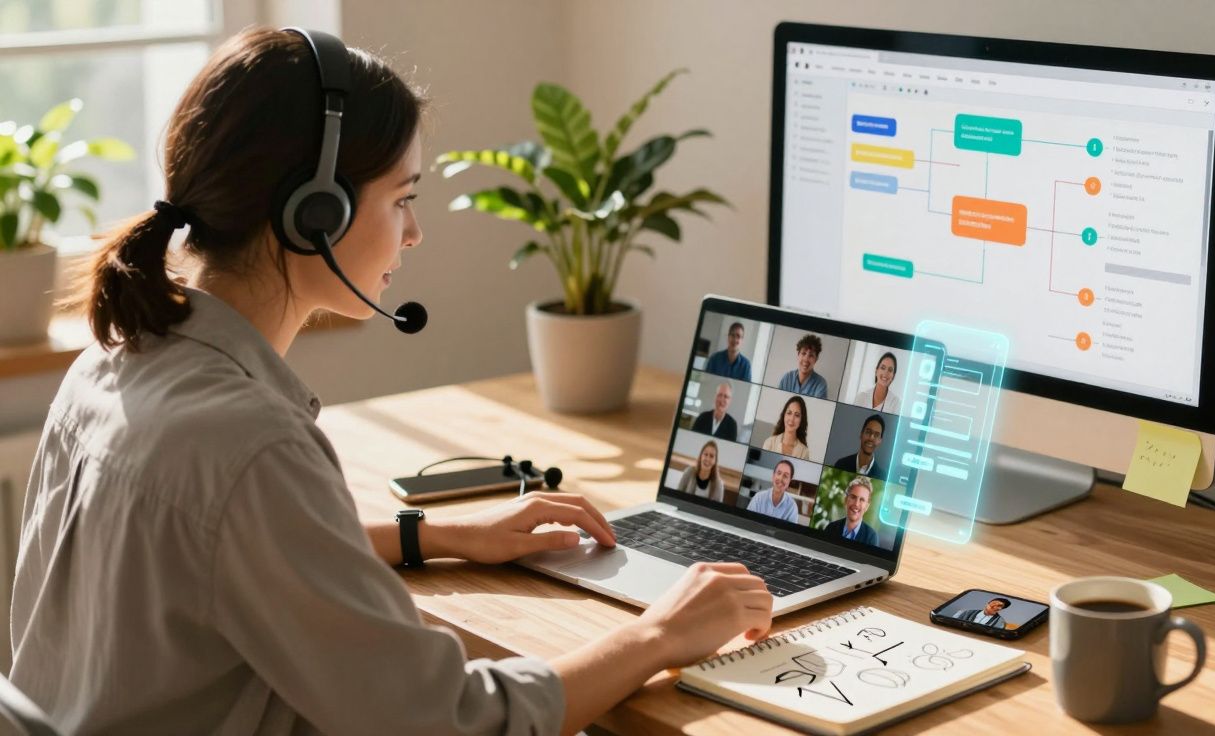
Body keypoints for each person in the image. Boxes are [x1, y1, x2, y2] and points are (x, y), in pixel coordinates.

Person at [7, 29, 773, 735]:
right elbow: (448, 722)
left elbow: (225, 550)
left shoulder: (110, 366)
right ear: (316, 213)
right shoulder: (250, 443)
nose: (414, 232)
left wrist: (433, 535)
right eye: (403, 199)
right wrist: (657, 636)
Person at [824, 476, 881, 546]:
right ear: (846, 500)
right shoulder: (831, 528)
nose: (856, 504)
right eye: (853, 497)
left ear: (867, 506)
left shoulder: (871, 537)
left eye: (862, 500)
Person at [832, 414, 886, 479]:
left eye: (876, 435)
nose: (871, 438)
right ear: (861, 434)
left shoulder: (882, 476)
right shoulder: (841, 465)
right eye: (868, 432)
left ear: (880, 441)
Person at [777, 333, 828, 398]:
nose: (806, 359)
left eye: (811, 355)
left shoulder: (820, 384)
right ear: (798, 355)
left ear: (816, 359)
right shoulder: (787, 378)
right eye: (803, 353)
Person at [761, 395, 811, 460]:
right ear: (784, 415)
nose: (792, 419)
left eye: (797, 415)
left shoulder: (804, 452)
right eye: (789, 413)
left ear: (802, 420)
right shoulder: (769, 443)